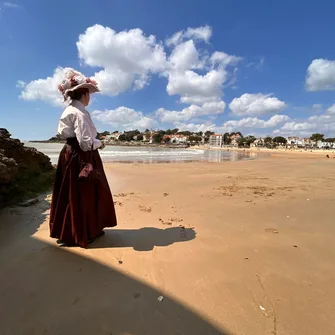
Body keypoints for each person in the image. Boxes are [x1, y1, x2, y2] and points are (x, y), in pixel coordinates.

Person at [49, 68, 117, 247]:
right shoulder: (79, 113)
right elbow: (86, 142)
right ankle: (84, 232)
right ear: (84, 94)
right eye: (89, 94)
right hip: (82, 155)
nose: (90, 97)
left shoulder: (68, 110)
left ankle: (69, 231)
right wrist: (101, 143)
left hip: (69, 153)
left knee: (70, 192)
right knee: (86, 192)